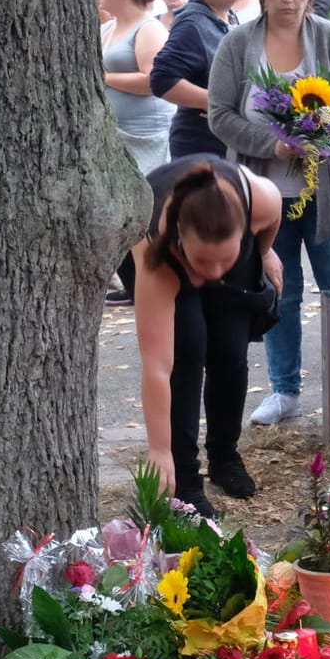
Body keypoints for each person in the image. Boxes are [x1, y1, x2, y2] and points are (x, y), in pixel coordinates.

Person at [207, 0, 330, 427]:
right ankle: (284, 390)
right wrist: (274, 144)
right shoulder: (237, 45)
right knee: (280, 290)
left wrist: (322, 139)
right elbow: (220, 115)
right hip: (264, 199)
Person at [135, 156, 282, 516]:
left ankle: (224, 457)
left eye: (223, 261)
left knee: (230, 353)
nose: (214, 274)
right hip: (166, 257)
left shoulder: (258, 201)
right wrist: (158, 450)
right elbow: (157, 367)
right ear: (183, 240)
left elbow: (275, 213)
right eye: (204, 264)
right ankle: (184, 480)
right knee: (187, 352)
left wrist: (262, 253)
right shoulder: (155, 250)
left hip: (227, 243)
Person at [150, 0, 244, 160]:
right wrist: (217, 101)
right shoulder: (192, 24)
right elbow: (162, 80)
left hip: (225, 146)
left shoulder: (228, 16)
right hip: (200, 150)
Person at [99, 0, 174, 175]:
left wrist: (103, 78)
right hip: (115, 134)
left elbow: (152, 82)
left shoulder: (149, 28)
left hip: (146, 135)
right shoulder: (107, 28)